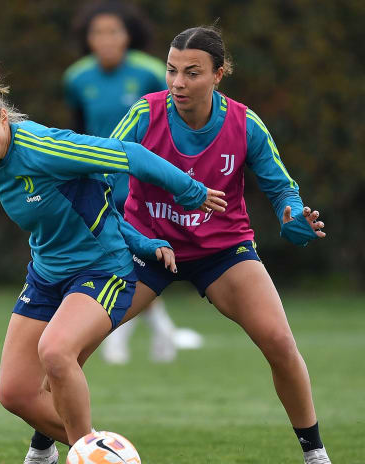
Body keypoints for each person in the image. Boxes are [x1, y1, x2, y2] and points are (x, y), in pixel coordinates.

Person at [0, 59, 226, 464]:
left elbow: (127, 153)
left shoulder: (43, 146)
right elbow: (86, 204)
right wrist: (143, 241)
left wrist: (189, 190)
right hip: (45, 275)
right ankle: (102, 452)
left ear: (2, 118)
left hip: (101, 270)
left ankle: (88, 457)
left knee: (57, 353)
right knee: (15, 393)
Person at [108, 24, 332, 464]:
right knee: (69, 346)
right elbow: (99, 165)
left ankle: (316, 455)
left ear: (219, 73)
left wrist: (292, 214)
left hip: (222, 252)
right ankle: (42, 451)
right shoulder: (145, 114)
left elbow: (282, 189)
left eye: (192, 73)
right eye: (172, 71)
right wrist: (130, 236)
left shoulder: (244, 124)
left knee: (281, 344)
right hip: (146, 248)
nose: (177, 83)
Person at [63, 0, 203, 366]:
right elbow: (80, 134)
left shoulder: (149, 72)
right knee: (125, 260)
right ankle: (158, 334)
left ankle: (127, 337)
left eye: (113, 31)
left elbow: (173, 122)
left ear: (128, 35)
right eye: (98, 33)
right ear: (87, 39)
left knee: (135, 259)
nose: (106, 40)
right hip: (101, 185)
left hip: (144, 187)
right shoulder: (77, 78)